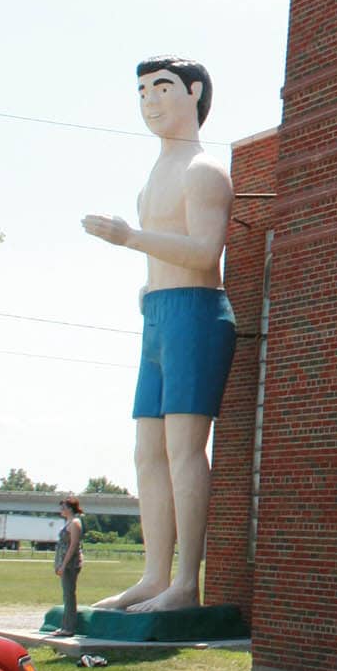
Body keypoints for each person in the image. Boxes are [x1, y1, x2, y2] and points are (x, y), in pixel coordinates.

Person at [82, 57, 235, 613]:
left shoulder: (204, 170)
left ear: (194, 93)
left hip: (196, 312)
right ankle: (153, 574)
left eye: (162, 87)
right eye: (143, 89)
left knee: (183, 448)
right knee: (147, 451)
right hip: (159, 317)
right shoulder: (152, 178)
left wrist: (130, 237)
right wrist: (148, 286)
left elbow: (204, 252)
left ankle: (184, 584)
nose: (150, 99)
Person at [53, 499, 83, 633]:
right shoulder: (68, 522)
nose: (61, 510)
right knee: (66, 595)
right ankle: (65, 626)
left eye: (63, 507)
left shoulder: (75, 523)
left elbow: (73, 545)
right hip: (64, 562)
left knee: (69, 595)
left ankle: (69, 628)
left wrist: (64, 565)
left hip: (71, 564)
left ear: (70, 508)